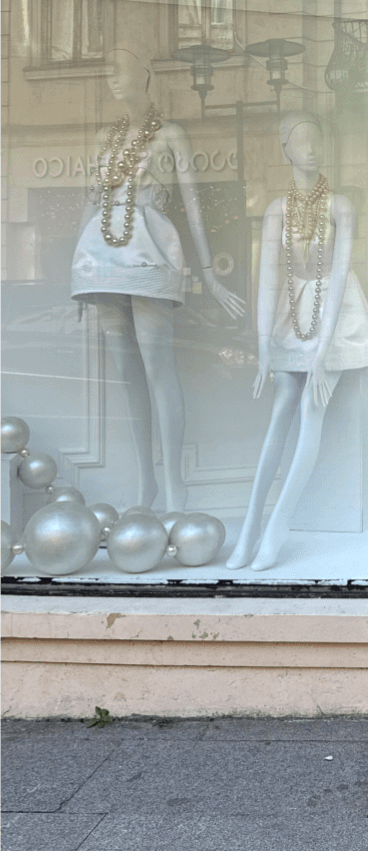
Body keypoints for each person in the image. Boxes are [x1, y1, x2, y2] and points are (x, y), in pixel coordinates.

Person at [71, 43, 244, 512]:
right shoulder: (104, 139)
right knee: (127, 376)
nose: (112, 75)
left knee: (158, 370)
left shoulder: (170, 135)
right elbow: (91, 202)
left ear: (145, 72)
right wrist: (76, 275)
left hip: (150, 253)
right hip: (102, 260)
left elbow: (193, 206)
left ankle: (174, 486)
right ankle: (145, 483)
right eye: (108, 69)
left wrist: (208, 274)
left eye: (121, 66)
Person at [225, 111, 368, 571]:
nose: (311, 150)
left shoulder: (340, 207)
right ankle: (250, 529)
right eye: (301, 142)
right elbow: (267, 279)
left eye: (317, 141)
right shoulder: (276, 210)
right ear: (286, 151)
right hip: (291, 315)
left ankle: (275, 531)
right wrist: (263, 351)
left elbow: (339, 273)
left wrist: (322, 350)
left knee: (309, 416)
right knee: (280, 412)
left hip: (335, 315)